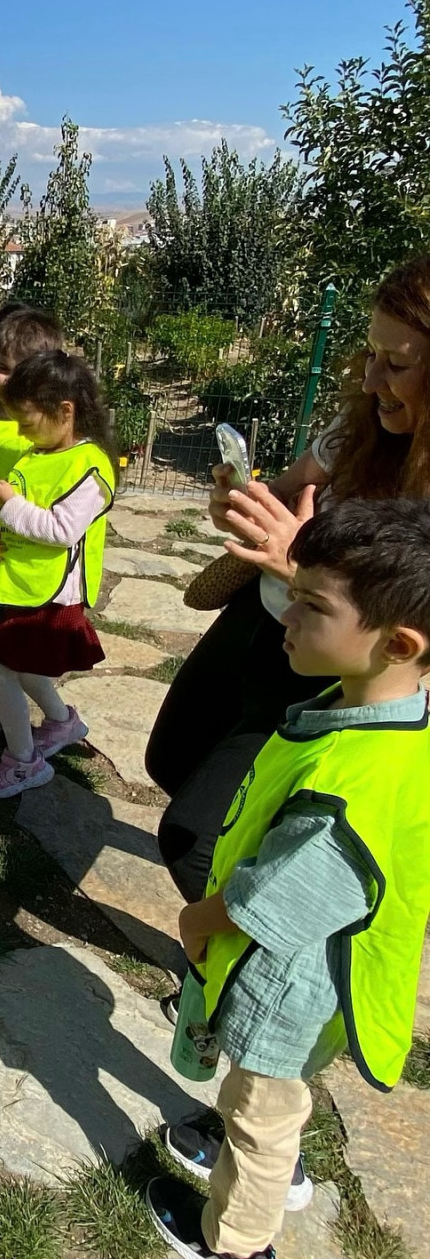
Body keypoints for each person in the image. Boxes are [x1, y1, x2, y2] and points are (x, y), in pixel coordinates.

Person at [147, 497, 430, 1259]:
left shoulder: (355, 790)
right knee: (265, 1109)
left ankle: (237, 1242)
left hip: (288, 993)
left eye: (311, 607)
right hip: (304, 979)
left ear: (397, 642)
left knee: (259, 1117)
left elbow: (270, 907)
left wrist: (195, 923)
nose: (286, 621)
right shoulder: (387, 714)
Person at [145, 253, 430, 905]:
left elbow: (402, 622)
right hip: (262, 618)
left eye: (398, 364)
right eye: (369, 354)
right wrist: (245, 503)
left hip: (334, 670)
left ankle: (234, 978)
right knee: (171, 758)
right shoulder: (362, 425)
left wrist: (293, 563)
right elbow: (294, 483)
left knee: (194, 843)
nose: (370, 380)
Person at [0, 350, 115, 799]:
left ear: (66, 411)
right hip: (24, 586)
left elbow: (60, 529)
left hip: (51, 598)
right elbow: (17, 508)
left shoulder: (89, 466)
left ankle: (23, 762)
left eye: (28, 420)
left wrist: (9, 507)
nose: (20, 431)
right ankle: (62, 722)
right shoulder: (39, 453)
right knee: (21, 667)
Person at [0, 307, 67, 716]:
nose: (8, 379)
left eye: (20, 370)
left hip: (20, 538)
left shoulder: (47, 425)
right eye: (2, 368)